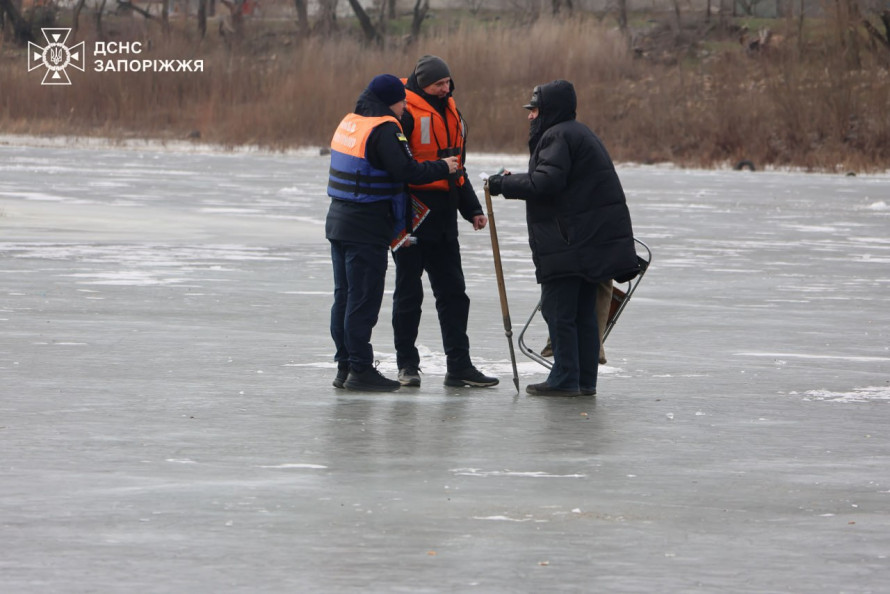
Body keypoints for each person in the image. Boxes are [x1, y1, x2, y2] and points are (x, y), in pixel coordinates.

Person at [487, 80, 639, 397]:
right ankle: (584, 380)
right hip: (587, 243)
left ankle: (565, 378)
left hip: (568, 245)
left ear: (549, 110)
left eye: (535, 110)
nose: (530, 116)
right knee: (582, 313)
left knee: (559, 311)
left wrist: (505, 184)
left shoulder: (557, 135)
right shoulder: (577, 133)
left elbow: (547, 182)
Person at [326, 74, 458, 392]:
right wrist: (444, 166)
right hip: (366, 225)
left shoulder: (352, 121)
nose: (404, 108)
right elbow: (406, 170)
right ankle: (359, 369)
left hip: (339, 221)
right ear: (391, 101)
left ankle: (345, 367)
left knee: (343, 297)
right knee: (363, 298)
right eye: (401, 102)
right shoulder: (384, 128)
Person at [391, 55, 498, 389]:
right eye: (439, 83)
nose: (445, 88)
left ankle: (459, 366)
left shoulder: (453, 111)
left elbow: (458, 167)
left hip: (445, 217)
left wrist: (472, 210)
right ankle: (407, 365)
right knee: (409, 295)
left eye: (447, 82)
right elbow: (395, 168)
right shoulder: (403, 113)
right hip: (412, 215)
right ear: (422, 83)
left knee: (454, 294)